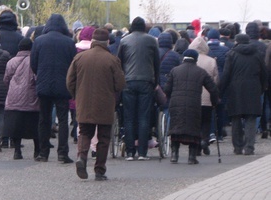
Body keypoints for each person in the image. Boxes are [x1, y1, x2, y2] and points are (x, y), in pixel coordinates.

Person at [67, 29, 126, 180]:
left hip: (84, 102)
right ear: (107, 42)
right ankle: (99, 170)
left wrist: (77, 95)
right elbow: (120, 84)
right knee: (104, 137)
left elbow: (69, 81)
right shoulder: (112, 60)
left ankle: (81, 157)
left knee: (84, 132)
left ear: (92, 41)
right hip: (105, 104)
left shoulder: (79, 57)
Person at [30, 13, 77, 163]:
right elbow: (73, 64)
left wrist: (41, 74)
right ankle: (62, 153)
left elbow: (33, 64)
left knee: (43, 119)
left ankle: (43, 153)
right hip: (63, 85)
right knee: (63, 120)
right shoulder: (69, 42)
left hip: (44, 84)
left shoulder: (39, 41)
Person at [163, 49, 219, 164]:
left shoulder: (175, 70)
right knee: (193, 129)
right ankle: (192, 157)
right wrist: (214, 102)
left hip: (176, 103)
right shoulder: (201, 72)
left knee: (176, 128)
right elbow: (213, 89)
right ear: (196, 59)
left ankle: (174, 155)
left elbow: (167, 89)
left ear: (183, 58)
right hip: (194, 104)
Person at [117, 16, 160, 161]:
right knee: (144, 117)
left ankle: (130, 152)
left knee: (129, 117)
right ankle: (142, 152)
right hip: (146, 81)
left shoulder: (124, 41)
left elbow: (119, 63)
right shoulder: (152, 41)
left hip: (128, 82)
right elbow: (156, 64)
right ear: (144, 27)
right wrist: (156, 83)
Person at [219, 34, 268, 155]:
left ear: (237, 42)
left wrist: (220, 91)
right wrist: (262, 88)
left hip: (235, 90)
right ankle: (249, 147)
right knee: (250, 119)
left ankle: (237, 147)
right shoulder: (257, 54)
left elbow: (226, 75)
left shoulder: (232, 54)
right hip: (253, 89)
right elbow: (264, 73)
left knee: (236, 118)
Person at [3, 38, 40, 160]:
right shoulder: (34, 61)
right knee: (34, 125)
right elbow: (36, 78)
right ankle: (37, 150)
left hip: (14, 97)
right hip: (31, 97)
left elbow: (6, 79)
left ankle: (17, 151)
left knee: (16, 125)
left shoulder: (11, 61)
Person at [189, 36, 219, 155]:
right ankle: (204, 140)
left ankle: (196, 145)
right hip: (207, 97)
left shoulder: (190, 61)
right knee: (206, 121)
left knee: (195, 122)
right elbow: (216, 80)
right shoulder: (211, 61)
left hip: (193, 96)